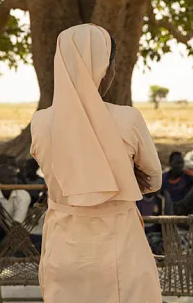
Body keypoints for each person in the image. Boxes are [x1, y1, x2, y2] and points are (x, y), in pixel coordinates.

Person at [30, 24, 162, 303]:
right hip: (121, 250)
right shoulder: (128, 119)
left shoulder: (40, 122)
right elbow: (154, 181)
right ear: (103, 67)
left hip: (63, 252)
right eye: (111, 63)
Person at [0, 165, 32, 245]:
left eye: (15, 176)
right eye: (9, 177)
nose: (14, 180)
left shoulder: (23, 195)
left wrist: (4, 247)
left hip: (14, 235)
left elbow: (17, 224)